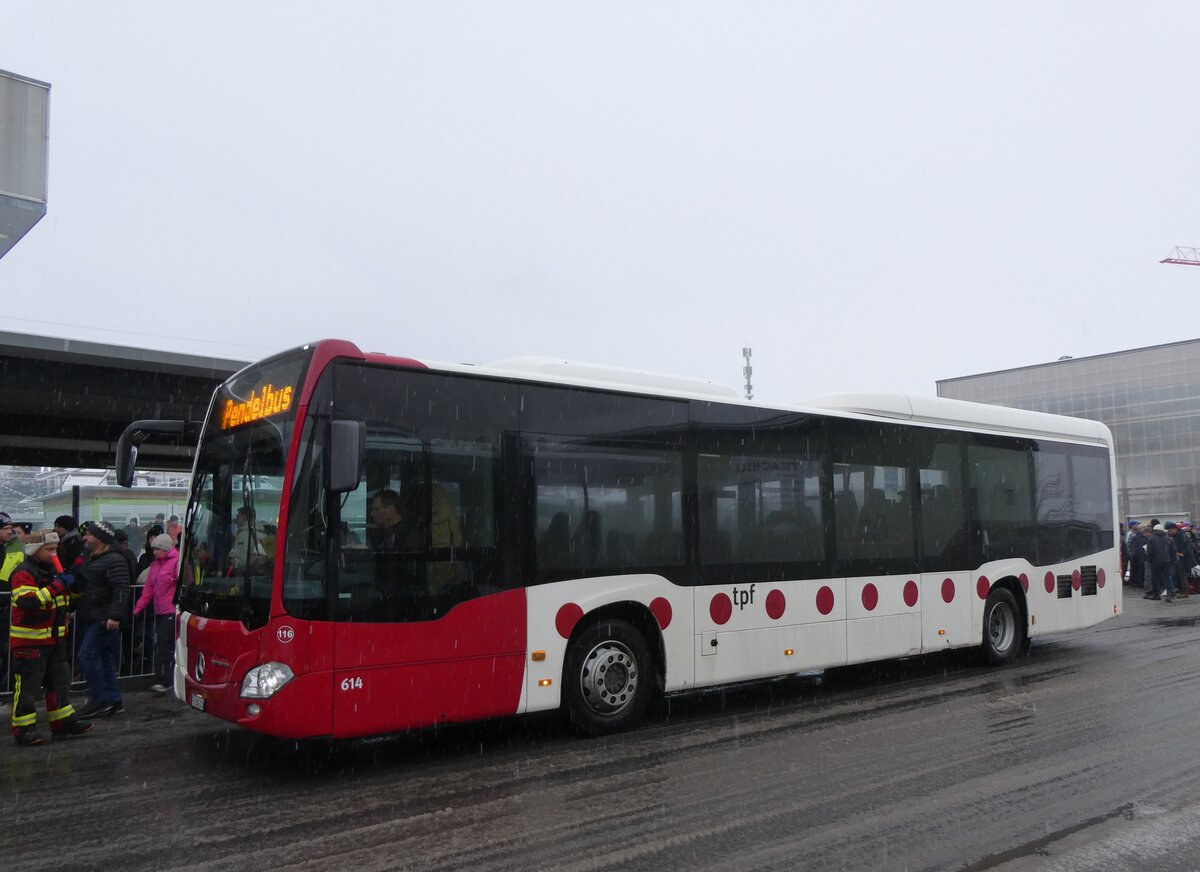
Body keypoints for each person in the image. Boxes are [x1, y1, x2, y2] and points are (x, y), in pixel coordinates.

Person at [8, 530, 92, 745]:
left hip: (55, 640)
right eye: (49, 549)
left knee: (60, 683)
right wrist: (57, 586)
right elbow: (29, 602)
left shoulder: (54, 572)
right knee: (28, 688)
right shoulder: (23, 572)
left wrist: (75, 589)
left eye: (55, 549)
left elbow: (63, 602)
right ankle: (24, 729)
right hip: (30, 642)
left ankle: (62, 722)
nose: (53, 554)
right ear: (35, 550)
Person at [73, 520, 132, 718]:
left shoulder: (113, 559)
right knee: (105, 658)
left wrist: (114, 615)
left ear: (99, 538)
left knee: (87, 655)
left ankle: (99, 699)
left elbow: (122, 589)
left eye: (88, 534)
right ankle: (113, 701)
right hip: (95, 615)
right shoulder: (94, 557)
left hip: (103, 617)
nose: (85, 538)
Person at [133, 534, 179, 694]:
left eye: (157, 549)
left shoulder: (176, 563)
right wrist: (138, 608)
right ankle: (165, 678)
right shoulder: (156, 565)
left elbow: (184, 584)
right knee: (162, 645)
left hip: (171, 610)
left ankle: (165, 679)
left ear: (165, 548)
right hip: (160, 610)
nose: (154, 552)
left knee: (164, 645)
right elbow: (149, 589)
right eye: (154, 549)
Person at [1147, 523, 1176, 603]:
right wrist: (1172, 560)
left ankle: (1157, 595)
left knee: (1155, 578)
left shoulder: (1151, 539)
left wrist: (1150, 560)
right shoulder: (1168, 539)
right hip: (1167, 561)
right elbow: (1173, 551)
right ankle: (1169, 594)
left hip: (1156, 561)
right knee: (1167, 578)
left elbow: (1149, 551)